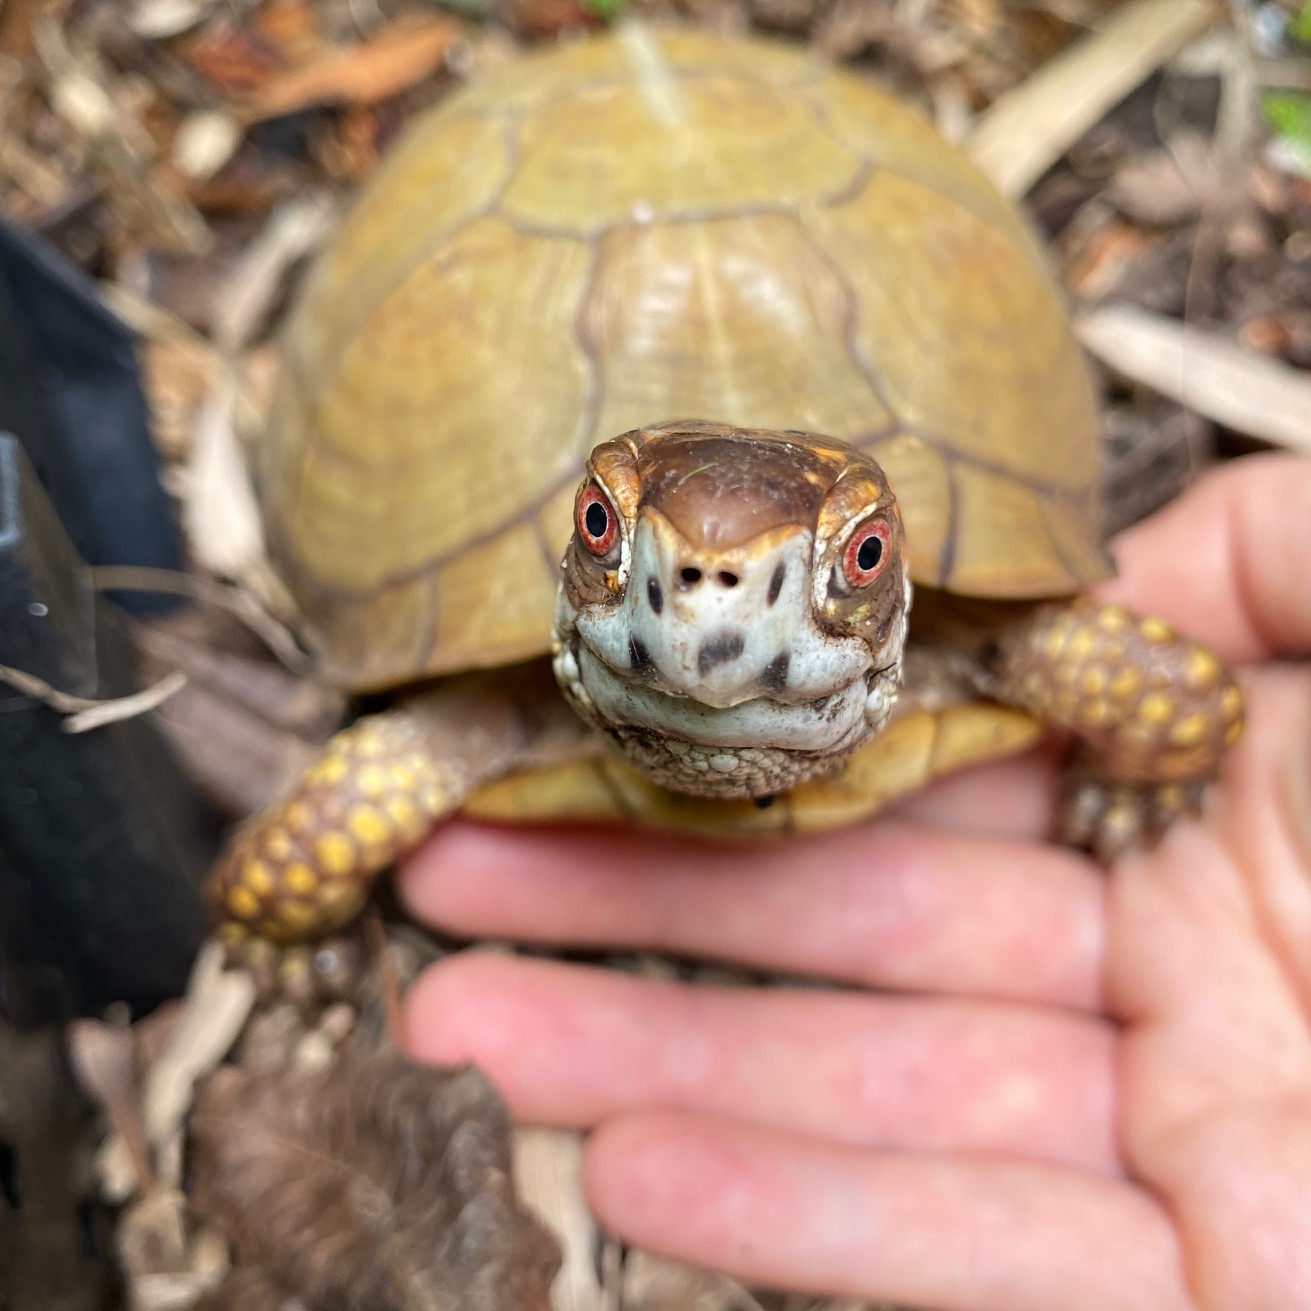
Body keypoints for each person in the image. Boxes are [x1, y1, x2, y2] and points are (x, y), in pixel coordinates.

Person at [399, 451, 1311, 1311]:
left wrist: (1142, 773)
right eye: (603, 531)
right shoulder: (496, 710)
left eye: (859, 559)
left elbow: (1184, 702)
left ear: (898, 575)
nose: (711, 619)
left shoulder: (995, 642)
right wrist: (280, 920)